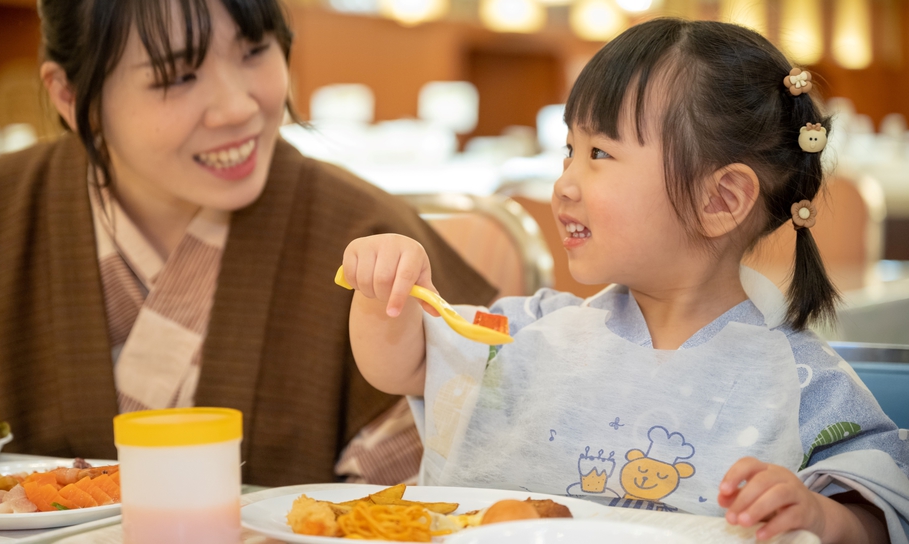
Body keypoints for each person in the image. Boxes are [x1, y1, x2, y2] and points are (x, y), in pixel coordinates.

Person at [342, 18, 909, 544]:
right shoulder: (534, 330)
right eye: (569, 150)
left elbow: (882, 507)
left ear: (721, 199)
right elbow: (406, 364)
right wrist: (386, 286)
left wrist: (821, 515)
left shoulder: (802, 379)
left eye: (598, 152)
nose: (563, 183)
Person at [0, 0, 495, 487]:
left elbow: (452, 481)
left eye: (254, 50)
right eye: (178, 75)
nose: (238, 107)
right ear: (70, 94)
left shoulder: (366, 230)